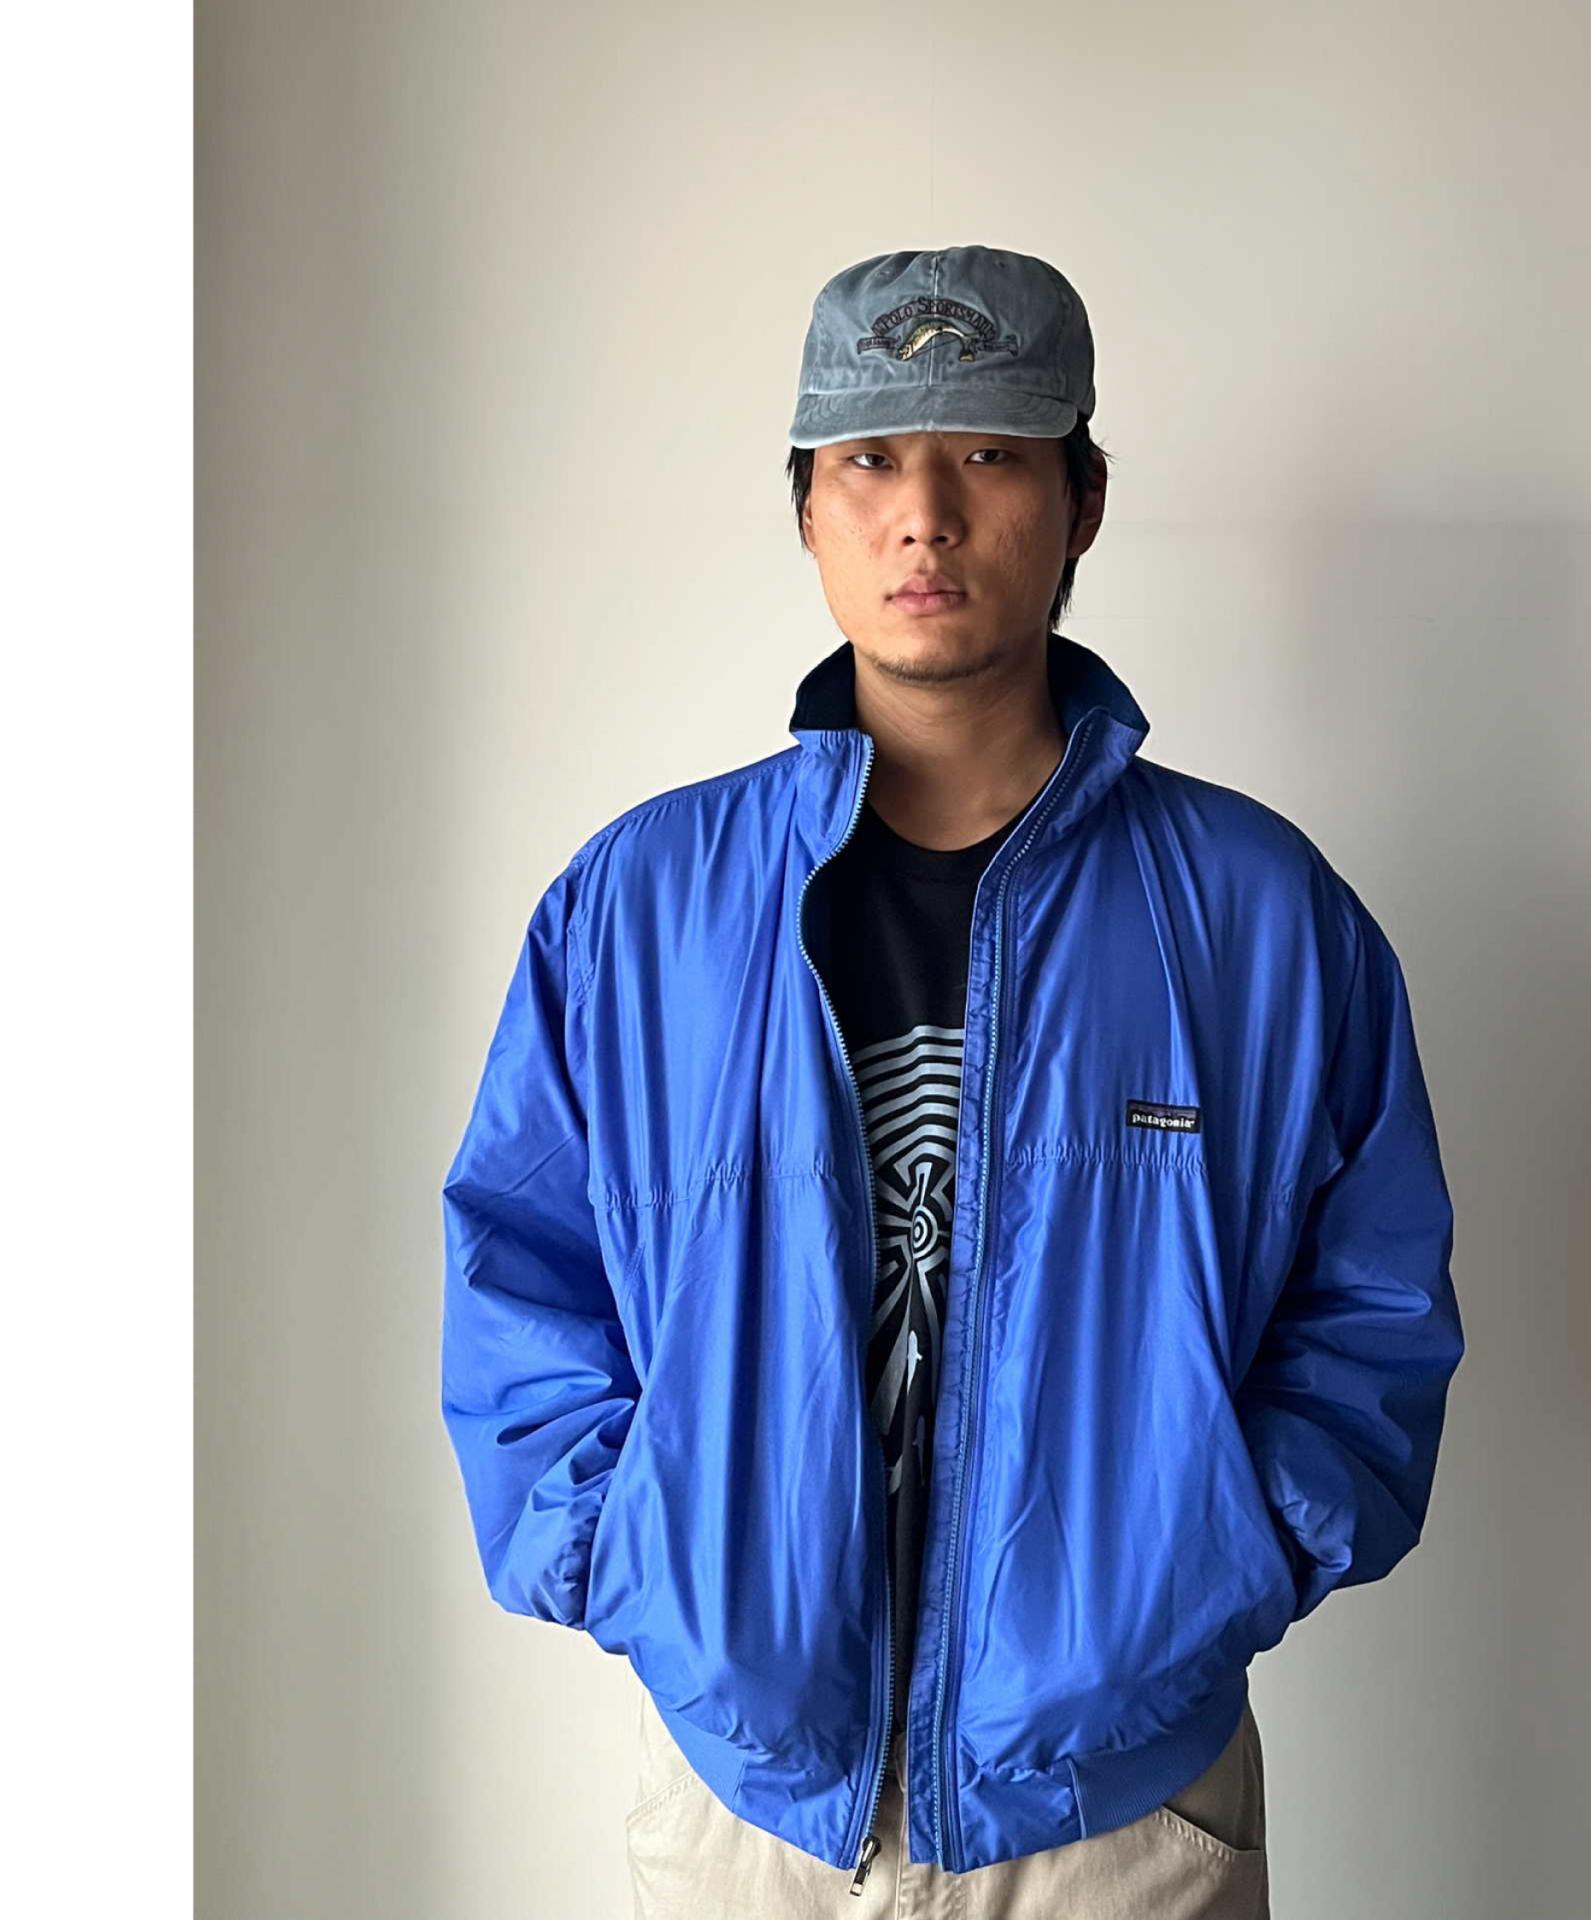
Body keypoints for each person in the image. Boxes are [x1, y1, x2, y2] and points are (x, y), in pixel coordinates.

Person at [441, 246, 1466, 1918]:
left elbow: (1376, 1306)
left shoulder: (1264, 919)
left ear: (1082, 501)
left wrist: (1224, 1551)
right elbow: (519, 1277)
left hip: (1122, 1814)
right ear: (807, 509)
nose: (925, 516)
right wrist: (631, 1558)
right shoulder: (636, 911)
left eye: (988, 453)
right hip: (749, 1816)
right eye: (871, 460)